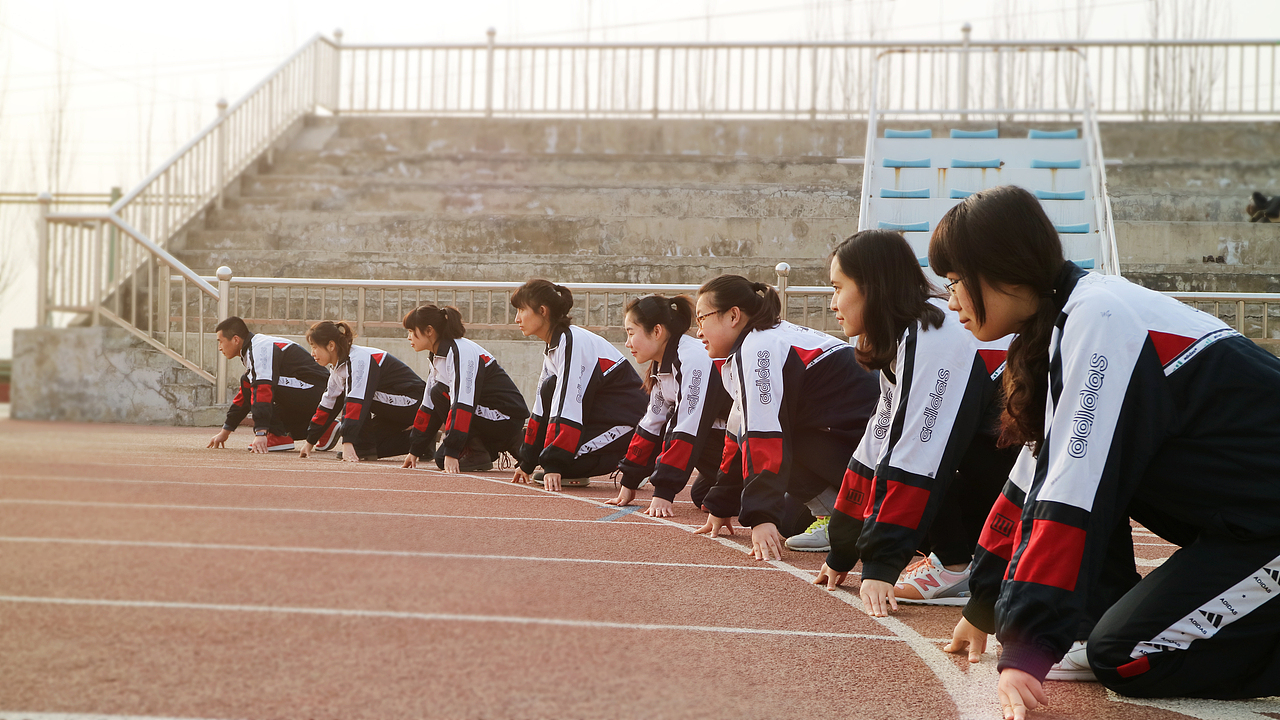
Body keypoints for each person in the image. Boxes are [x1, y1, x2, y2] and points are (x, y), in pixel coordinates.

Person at [931, 185, 1280, 717]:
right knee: (1108, 639)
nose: (951, 299)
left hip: (1265, 526)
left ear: (1004, 272)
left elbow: (1072, 493)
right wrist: (984, 604)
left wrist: (1026, 645)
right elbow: (1036, 478)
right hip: (1248, 526)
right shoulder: (1069, 319)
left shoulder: (1099, 318)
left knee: (1128, 657)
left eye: (956, 280)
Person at [811, 230, 1017, 617]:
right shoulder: (907, 333)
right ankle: (965, 559)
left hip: (1031, 468)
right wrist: (843, 550)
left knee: (925, 458)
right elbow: (876, 443)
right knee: (907, 456)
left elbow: (917, 453)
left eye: (838, 288)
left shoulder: (933, 333)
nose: (833, 303)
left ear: (871, 286)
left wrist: (880, 564)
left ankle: (959, 565)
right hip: (1006, 463)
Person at [693, 274, 880, 559]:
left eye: (701, 318)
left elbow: (763, 434)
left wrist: (760, 516)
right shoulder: (762, 339)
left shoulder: (758, 346)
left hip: (873, 452)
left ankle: (842, 520)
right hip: (854, 445)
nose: (698, 332)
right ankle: (844, 515)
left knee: (776, 448)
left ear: (733, 316)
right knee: (789, 522)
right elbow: (738, 428)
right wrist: (721, 505)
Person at [509, 279, 648, 491]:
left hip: (631, 423)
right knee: (549, 388)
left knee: (565, 461)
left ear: (543, 311)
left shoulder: (572, 341)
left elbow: (568, 404)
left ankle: (638, 461)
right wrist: (527, 462)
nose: (517, 318)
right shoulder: (555, 345)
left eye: (521, 310)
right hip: (602, 416)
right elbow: (542, 404)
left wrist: (554, 463)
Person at [605, 294, 730, 517]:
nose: (627, 343)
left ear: (657, 331)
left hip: (747, 443)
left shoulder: (693, 358)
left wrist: (664, 491)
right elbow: (652, 422)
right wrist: (629, 482)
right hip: (724, 440)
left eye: (631, 333)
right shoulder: (663, 364)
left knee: (678, 420)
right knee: (702, 495)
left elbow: (687, 428)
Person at [399, 304, 530, 473]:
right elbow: (428, 406)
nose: (409, 337)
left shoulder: (460, 351)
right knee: (441, 459)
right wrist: (415, 450)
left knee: (440, 394)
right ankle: (494, 446)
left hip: (505, 416)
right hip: (484, 415)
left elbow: (462, 403)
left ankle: (496, 444)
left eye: (411, 331)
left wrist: (453, 450)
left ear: (429, 330)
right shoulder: (438, 356)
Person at [301, 321, 426, 462]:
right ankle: (423, 441)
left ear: (331, 345)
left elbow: (357, 400)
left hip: (414, 401)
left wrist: (347, 442)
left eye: (314, 347)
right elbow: (328, 403)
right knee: (365, 446)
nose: (312, 353)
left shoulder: (359, 359)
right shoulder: (339, 368)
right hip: (391, 406)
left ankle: (422, 436)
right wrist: (310, 441)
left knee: (355, 396)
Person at [207, 316, 330, 453]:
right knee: (249, 382)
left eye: (220, 341)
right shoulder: (253, 349)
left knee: (255, 385)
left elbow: (262, 389)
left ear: (236, 340)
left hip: (316, 390)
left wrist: (261, 433)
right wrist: (225, 432)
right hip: (315, 392)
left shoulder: (259, 348)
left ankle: (278, 435)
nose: (219, 348)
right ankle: (325, 426)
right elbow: (243, 398)